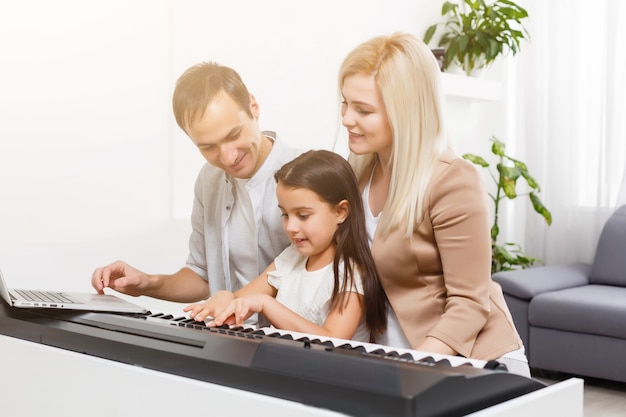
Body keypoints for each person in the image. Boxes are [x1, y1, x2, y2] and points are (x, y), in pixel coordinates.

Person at [337, 32, 530, 376]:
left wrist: (411, 367)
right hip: (403, 359)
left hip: (471, 361)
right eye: (345, 103)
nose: (347, 119)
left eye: (363, 110)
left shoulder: (452, 180)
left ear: (405, 111)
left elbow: (470, 303)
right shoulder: (360, 172)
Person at [91, 62, 303, 313]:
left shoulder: (310, 174)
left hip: (295, 338)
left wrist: (234, 302)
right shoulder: (209, 179)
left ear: (253, 106)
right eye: (208, 147)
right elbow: (203, 276)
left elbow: (313, 270)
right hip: (231, 332)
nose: (227, 157)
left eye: (233, 135)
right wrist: (147, 283)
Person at [183, 150, 387, 342]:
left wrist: (266, 304)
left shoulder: (350, 274)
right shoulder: (291, 258)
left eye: (303, 215)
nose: (291, 226)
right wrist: (224, 298)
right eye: (285, 214)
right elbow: (241, 299)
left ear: (341, 212)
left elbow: (332, 340)